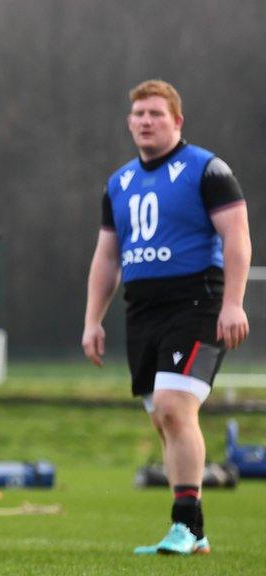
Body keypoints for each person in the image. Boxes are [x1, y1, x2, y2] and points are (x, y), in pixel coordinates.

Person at [82, 79, 250, 555]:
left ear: (177, 121)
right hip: (143, 311)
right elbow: (106, 257)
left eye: (156, 114)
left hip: (196, 303)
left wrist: (234, 303)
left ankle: (185, 525)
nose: (146, 122)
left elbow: (237, 236)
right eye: (138, 114)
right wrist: (93, 319)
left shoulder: (207, 169)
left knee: (176, 409)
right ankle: (193, 532)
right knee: (164, 419)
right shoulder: (119, 182)